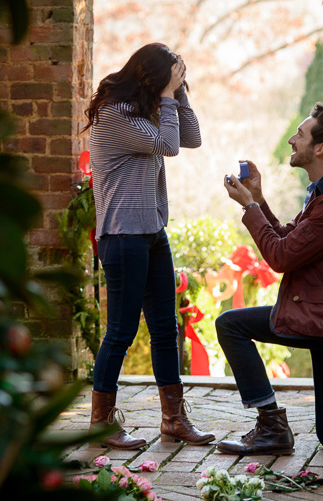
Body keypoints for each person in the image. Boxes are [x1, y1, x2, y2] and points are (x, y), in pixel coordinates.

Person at [217, 103, 323, 455]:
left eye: (301, 134)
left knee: (231, 325)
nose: (293, 140)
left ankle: (271, 427)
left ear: (320, 148)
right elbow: (286, 241)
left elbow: (279, 257)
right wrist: (259, 199)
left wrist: (249, 208)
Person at [83, 43, 214, 450]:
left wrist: (180, 92)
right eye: (171, 77)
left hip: (152, 232)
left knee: (164, 327)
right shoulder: (113, 114)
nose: (174, 86)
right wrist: (169, 98)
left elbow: (191, 138)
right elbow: (169, 146)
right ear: (150, 79)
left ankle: (173, 420)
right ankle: (100, 423)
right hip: (122, 236)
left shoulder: (147, 111)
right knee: (120, 332)